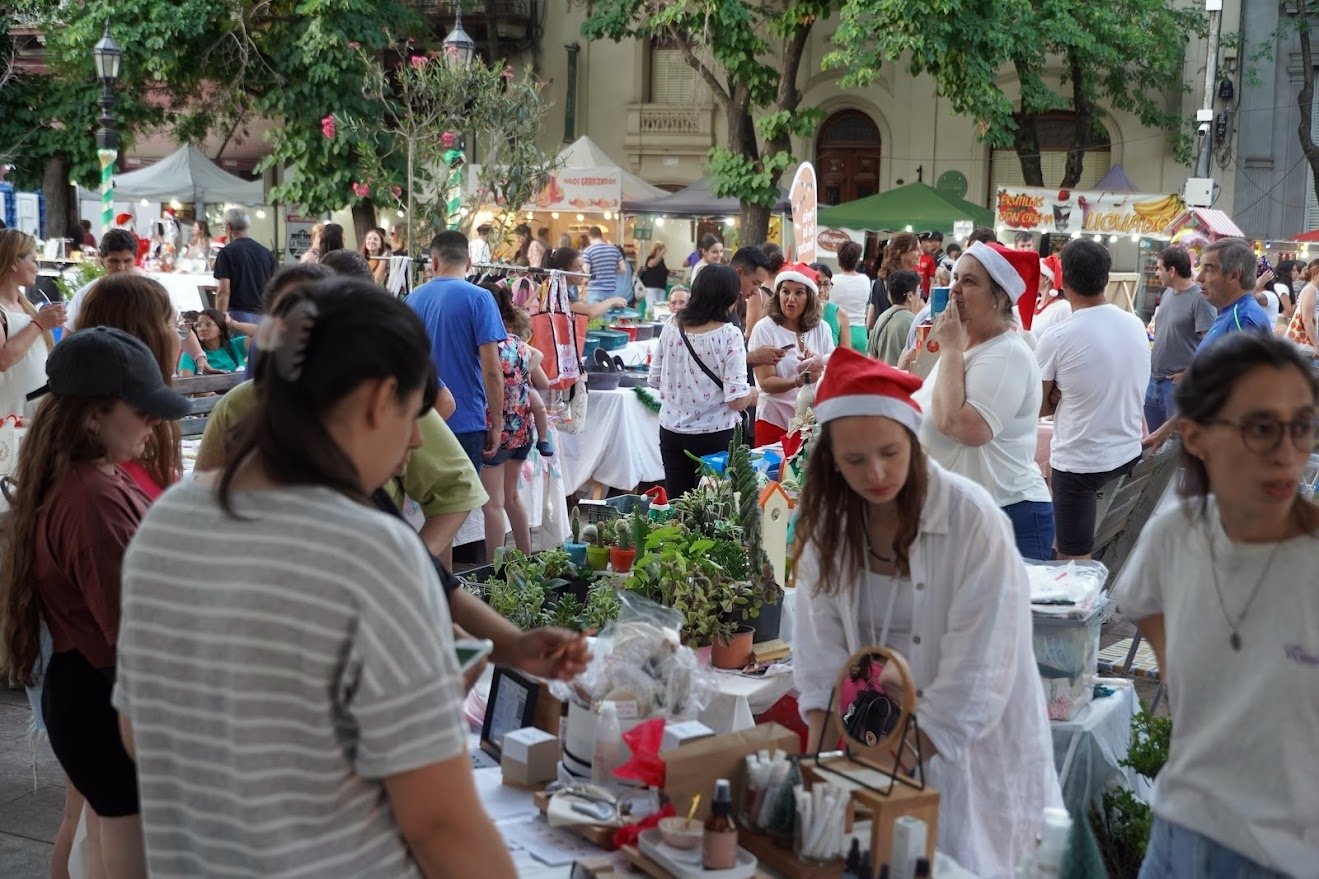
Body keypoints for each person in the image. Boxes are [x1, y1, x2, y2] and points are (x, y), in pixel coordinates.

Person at [112, 281, 527, 878]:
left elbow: (138, 734)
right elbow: (442, 826)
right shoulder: (374, 552)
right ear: (379, 400)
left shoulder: (168, 521)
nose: (414, 438)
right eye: (412, 414)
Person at [791, 348, 1062, 878]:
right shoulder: (827, 531)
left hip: (972, 752)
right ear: (830, 461)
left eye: (890, 452)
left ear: (914, 439)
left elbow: (978, 672)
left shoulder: (971, 520)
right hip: (873, 755)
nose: (875, 473)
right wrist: (817, 785)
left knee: (967, 860)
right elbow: (821, 668)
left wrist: (888, 774)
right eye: (854, 460)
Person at [1112, 332, 1318, 879]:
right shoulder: (1174, 537)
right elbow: (1177, 662)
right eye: (1260, 428)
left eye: (1301, 426)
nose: (1287, 452)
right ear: (1197, 437)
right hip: (1177, 834)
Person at [2, 327, 192, 879]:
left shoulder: (94, 477)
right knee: (124, 852)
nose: (156, 421)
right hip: (107, 696)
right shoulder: (92, 499)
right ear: (92, 416)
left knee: (104, 844)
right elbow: (129, 631)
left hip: (93, 691)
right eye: (142, 410)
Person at [914, 242, 1055, 559]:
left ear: (1000, 297)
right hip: (965, 515)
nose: (955, 290)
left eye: (969, 282)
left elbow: (960, 426)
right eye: (955, 278)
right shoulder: (963, 344)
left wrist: (950, 349)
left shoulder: (1005, 354)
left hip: (1008, 516)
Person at [1037, 238, 1151, 559]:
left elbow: (1038, 407)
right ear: (1107, 277)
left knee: (1072, 559)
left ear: (1064, 282)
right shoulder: (1134, 323)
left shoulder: (1058, 336)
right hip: (1127, 451)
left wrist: (1060, 394)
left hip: (1081, 463)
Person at [648, 265, 756, 498]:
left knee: (679, 505)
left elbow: (655, 379)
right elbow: (737, 401)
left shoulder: (672, 325)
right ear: (728, 297)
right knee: (715, 510)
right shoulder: (729, 333)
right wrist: (754, 394)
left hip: (673, 432)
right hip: (717, 437)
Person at [75, 275, 185, 498]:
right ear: (147, 338)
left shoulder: (124, 441)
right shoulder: (111, 468)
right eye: (174, 325)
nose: (180, 337)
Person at [409, 231, 506, 468]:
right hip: (467, 421)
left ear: (434, 262)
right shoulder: (480, 299)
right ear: (469, 263)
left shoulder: (411, 299)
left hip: (423, 420)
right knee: (460, 502)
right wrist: (498, 422)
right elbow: (492, 369)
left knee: (420, 503)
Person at [478, 281, 551, 561]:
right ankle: (527, 557)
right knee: (511, 497)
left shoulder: (484, 346)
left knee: (493, 504)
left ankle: (493, 571)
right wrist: (519, 379)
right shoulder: (518, 344)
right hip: (523, 431)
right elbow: (541, 374)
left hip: (497, 432)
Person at [748, 263, 835, 447]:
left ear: (810, 297)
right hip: (774, 421)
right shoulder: (765, 328)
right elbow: (766, 383)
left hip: (811, 423)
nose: (790, 299)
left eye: (799, 293)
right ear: (777, 293)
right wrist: (798, 381)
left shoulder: (822, 329)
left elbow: (833, 372)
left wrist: (818, 369)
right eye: (785, 291)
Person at [1142, 245, 1215, 432]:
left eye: (1159, 268)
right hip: (1154, 381)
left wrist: (1189, 373)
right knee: (1152, 443)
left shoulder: (1200, 299)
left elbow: (1212, 345)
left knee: (1175, 445)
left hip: (1176, 386)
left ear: (1172, 270)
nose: (1157, 273)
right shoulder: (1167, 294)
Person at [0, 229, 62, 418]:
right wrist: (38, 324)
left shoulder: (24, 306)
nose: (37, 268)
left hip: (34, 412)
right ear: (14, 262)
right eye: (33, 260)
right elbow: (3, 360)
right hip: (9, 417)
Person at [65, 229, 139, 330]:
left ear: (135, 260)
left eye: (127, 261)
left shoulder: (150, 294)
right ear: (101, 260)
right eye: (114, 261)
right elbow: (68, 340)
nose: (121, 267)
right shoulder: (85, 295)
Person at [214, 207, 276, 325]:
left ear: (228, 227)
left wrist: (219, 320)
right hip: (263, 317)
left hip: (237, 316)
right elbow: (273, 288)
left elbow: (224, 291)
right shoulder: (266, 253)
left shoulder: (226, 253)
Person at [545, 246, 627, 317]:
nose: (583, 272)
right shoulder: (559, 292)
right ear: (562, 271)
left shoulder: (561, 289)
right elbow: (589, 312)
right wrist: (612, 301)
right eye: (578, 268)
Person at [866, 232, 921, 331]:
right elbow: (920, 317)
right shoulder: (910, 282)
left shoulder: (879, 282)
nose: (921, 253)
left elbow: (870, 323)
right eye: (916, 249)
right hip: (903, 338)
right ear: (901, 253)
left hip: (882, 340)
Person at [868, 270, 921, 366]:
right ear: (909, 296)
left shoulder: (881, 318)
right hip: (901, 378)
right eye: (918, 291)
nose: (920, 295)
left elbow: (871, 358)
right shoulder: (914, 322)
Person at [178, 308, 248, 375]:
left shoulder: (234, 345)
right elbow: (185, 382)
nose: (202, 328)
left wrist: (232, 324)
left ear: (221, 329)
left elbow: (258, 334)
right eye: (198, 325)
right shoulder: (191, 353)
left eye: (208, 324)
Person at [831, 241, 871, 349]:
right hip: (860, 331)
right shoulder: (865, 280)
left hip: (837, 330)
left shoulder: (832, 280)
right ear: (857, 260)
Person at [810, 262, 851, 351]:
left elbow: (845, 354)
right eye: (817, 284)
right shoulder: (798, 311)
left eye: (826, 284)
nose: (821, 290)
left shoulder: (839, 314)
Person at [1031, 254, 1071, 340]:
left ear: (1047, 279)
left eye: (1035, 273)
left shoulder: (1063, 308)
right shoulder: (1033, 303)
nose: (1031, 277)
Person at [1283, 257, 1319, 353]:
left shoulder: (1313, 290)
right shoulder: (1311, 290)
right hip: (1308, 343)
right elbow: (1307, 319)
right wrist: (1316, 345)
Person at [582, 226, 624, 304]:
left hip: (594, 291)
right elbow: (623, 269)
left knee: (595, 315)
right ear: (601, 236)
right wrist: (610, 270)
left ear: (589, 237)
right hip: (611, 291)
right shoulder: (614, 249)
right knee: (608, 315)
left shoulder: (588, 251)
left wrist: (583, 285)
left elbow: (586, 275)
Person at [639, 242, 670, 307]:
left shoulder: (662, 261)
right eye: (660, 249)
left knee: (660, 307)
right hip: (651, 286)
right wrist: (661, 254)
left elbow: (665, 272)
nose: (662, 251)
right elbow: (651, 264)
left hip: (661, 286)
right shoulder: (650, 258)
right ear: (655, 250)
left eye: (662, 249)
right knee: (651, 306)